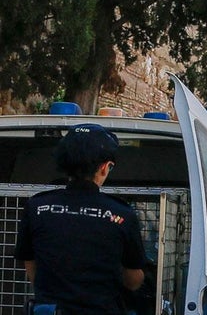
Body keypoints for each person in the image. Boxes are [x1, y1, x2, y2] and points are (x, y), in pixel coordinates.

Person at [14, 123, 147, 314]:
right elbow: (133, 281)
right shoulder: (122, 214)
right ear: (104, 167)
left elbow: (31, 266)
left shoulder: (37, 207)